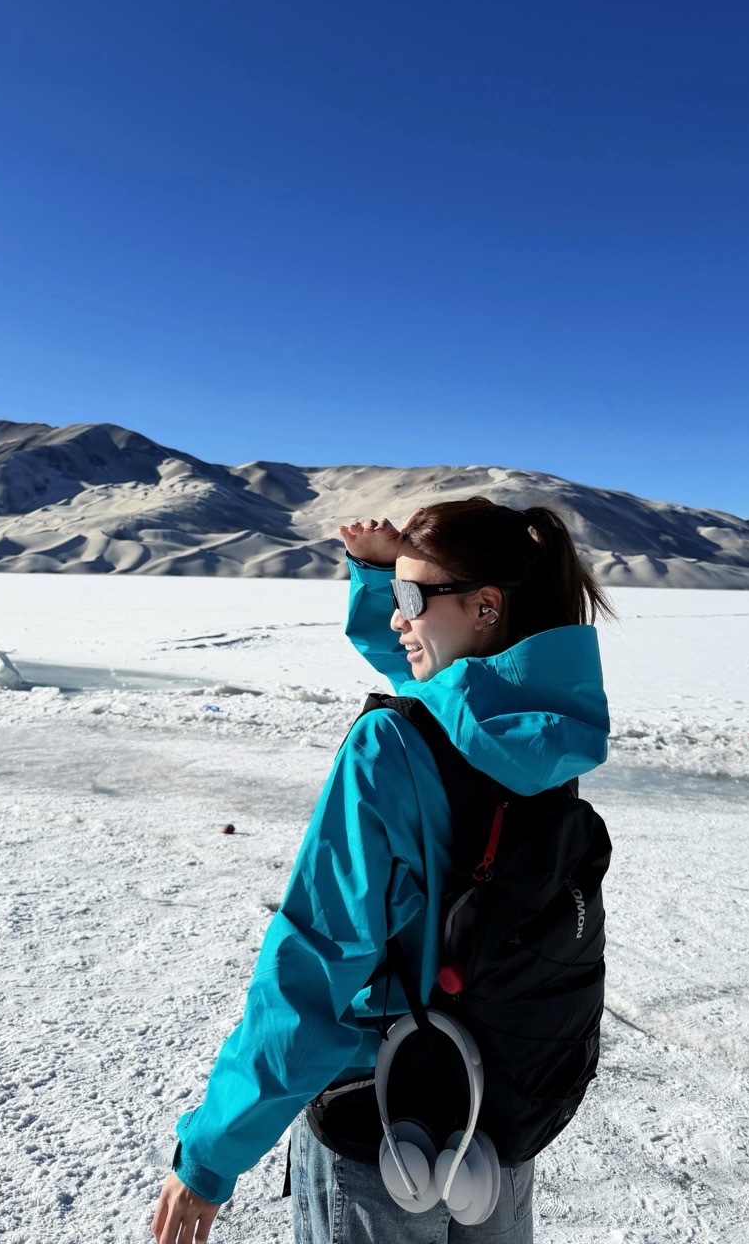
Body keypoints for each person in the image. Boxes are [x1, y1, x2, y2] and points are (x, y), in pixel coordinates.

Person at [151, 497, 614, 1244]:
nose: (396, 621)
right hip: (495, 1121)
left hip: (384, 1132)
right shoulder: (543, 728)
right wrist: (386, 578)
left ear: (487, 606)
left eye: (409, 599)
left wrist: (210, 1154)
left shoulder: (388, 752)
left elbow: (311, 969)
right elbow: (439, 676)